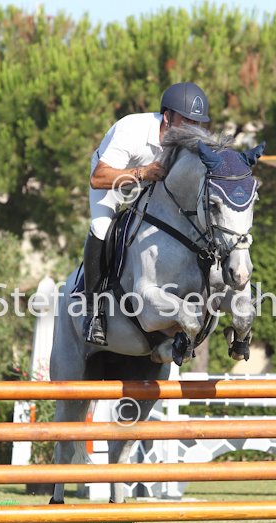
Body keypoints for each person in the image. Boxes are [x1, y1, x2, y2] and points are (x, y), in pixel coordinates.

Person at [83, 81, 210, 346]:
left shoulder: (190, 143)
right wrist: (142, 173)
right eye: (186, 121)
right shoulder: (132, 130)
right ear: (167, 116)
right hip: (113, 180)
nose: (192, 129)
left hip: (150, 185)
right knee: (102, 226)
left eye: (196, 123)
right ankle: (93, 312)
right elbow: (98, 178)